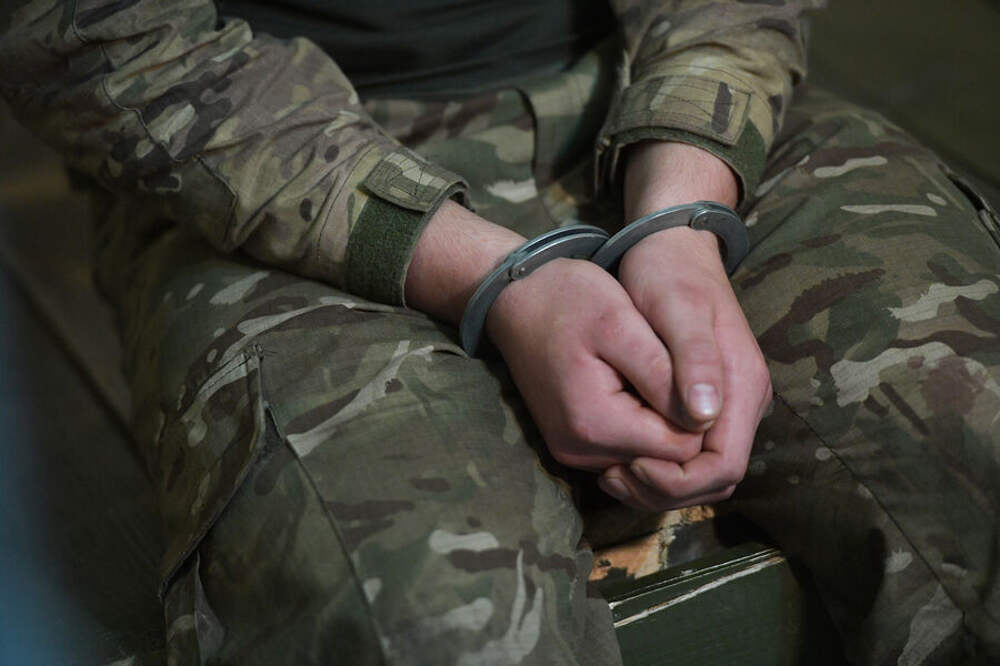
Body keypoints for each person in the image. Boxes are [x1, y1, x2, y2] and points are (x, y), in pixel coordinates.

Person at [2, 0, 999, 663]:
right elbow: (99, 39)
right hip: (254, 158)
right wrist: (500, 278)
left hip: (658, 74)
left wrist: (682, 214)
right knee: (427, 624)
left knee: (972, 431)